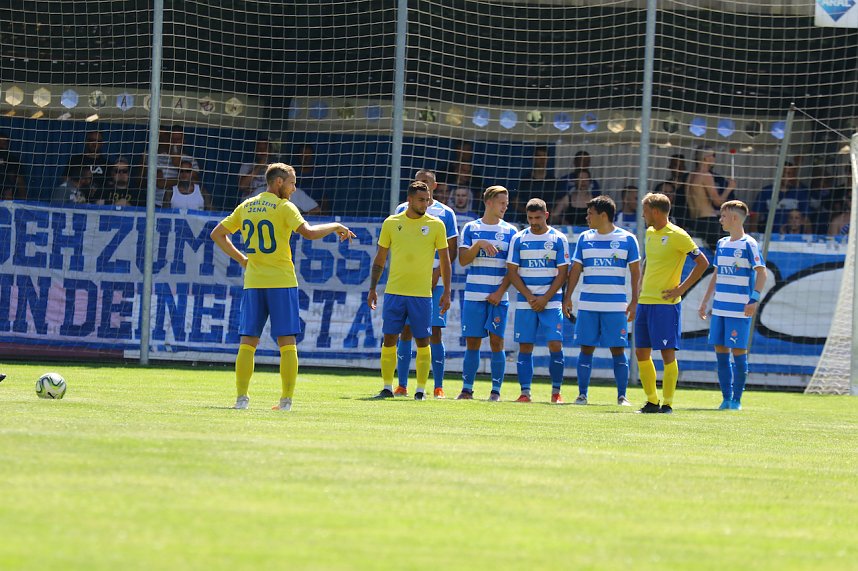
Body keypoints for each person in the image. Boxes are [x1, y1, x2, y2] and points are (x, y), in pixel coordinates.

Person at [210, 163, 355, 411]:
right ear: (278, 182)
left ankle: (241, 399)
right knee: (287, 342)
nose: (294, 187)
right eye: (292, 182)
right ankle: (286, 401)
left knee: (247, 342)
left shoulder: (246, 205)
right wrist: (335, 226)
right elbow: (308, 232)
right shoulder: (284, 207)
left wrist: (242, 260)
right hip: (281, 282)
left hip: (254, 283)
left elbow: (217, 234)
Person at [367, 180, 451, 401]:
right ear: (410, 200)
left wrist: (447, 291)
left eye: (428, 199)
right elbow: (380, 259)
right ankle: (387, 387)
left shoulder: (436, 225)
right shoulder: (391, 223)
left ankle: (421, 390)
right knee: (389, 338)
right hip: (394, 292)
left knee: (423, 340)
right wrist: (373, 288)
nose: (426, 203)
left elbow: (445, 261)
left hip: (422, 295)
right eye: (422, 199)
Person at [635, 192, 709, 414]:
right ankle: (651, 400)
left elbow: (703, 263)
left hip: (666, 305)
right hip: (645, 302)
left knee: (667, 353)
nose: (643, 215)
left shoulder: (678, 235)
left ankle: (667, 403)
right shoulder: (649, 233)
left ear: (655, 212)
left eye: (645, 211)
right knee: (641, 353)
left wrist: (681, 289)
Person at [564, 195, 641, 406]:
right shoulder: (584, 238)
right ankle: (582, 395)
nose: (586, 217)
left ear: (603, 215)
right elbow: (576, 269)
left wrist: (635, 300)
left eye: (590, 213)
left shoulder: (627, 239)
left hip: (615, 307)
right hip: (588, 305)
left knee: (618, 349)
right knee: (586, 348)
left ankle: (622, 396)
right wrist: (567, 296)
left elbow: (635, 272)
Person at [393, 170, 458, 398]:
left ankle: (438, 385)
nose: (424, 186)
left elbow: (451, 251)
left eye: (427, 183)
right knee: (405, 330)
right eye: (420, 182)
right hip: (409, 282)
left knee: (434, 331)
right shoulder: (402, 209)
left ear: (435, 186)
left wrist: (437, 275)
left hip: (435, 280)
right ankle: (401, 384)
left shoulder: (445, 214)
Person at [697, 200, 766, 410]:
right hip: (719, 309)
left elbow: (761, 273)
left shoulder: (749, 244)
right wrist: (704, 302)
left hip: (739, 309)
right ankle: (725, 398)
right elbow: (716, 275)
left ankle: (736, 400)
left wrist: (753, 300)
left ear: (734, 218)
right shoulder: (722, 243)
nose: (720, 219)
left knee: (738, 352)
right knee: (720, 352)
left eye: (723, 216)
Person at [456, 185, 517, 401]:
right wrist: (479, 244)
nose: (505, 207)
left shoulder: (511, 231)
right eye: (501, 203)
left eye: (506, 204)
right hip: (474, 295)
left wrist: (500, 292)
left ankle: (496, 392)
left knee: (497, 343)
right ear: (489, 202)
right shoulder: (471, 228)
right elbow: (463, 260)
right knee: (473, 342)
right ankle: (467, 389)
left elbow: (513, 269)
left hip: (498, 297)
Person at [507, 198, 569, 403]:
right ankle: (525, 393)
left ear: (547, 215)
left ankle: (556, 392)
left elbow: (563, 274)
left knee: (555, 344)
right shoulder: (519, 238)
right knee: (525, 347)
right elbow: (512, 272)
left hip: (551, 302)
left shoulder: (559, 238)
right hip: (527, 302)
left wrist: (545, 298)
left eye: (538, 218)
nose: (534, 222)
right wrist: (530, 296)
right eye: (530, 218)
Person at [687, 146, 736, 247]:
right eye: (713, 155)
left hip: (693, 220)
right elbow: (717, 202)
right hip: (708, 222)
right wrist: (729, 188)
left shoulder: (690, 176)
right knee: (723, 253)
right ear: (706, 158)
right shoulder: (706, 175)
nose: (714, 158)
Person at [751, 162, 811, 234]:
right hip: (769, 236)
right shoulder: (766, 192)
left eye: (790, 174)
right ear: (778, 175)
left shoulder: (800, 193)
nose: (788, 177)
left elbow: (806, 220)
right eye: (786, 173)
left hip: (792, 237)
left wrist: (809, 240)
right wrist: (754, 235)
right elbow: (755, 216)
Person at [516, 145, 561, 224]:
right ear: (534, 158)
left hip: (547, 222)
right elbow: (515, 201)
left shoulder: (553, 181)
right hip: (526, 221)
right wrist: (528, 213)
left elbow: (558, 202)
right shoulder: (525, 180)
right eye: (539, 156)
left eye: (544, 157)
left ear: (548, 159)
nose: (542, 160)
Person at [238, 136, 272, 200]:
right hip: (250, 201)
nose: (262, 151)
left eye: (265, 149)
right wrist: (259, 166)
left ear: (270, 150)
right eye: (259, 149)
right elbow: (242, 185)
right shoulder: (247, 166)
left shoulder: (275, 167)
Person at [0, 130, 27, 200]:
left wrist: (23, 204)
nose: (1, 145)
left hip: (8, 191)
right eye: (0, 143)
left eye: (4, 143)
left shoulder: (13, 160)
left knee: (10, 184)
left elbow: (20, 181)